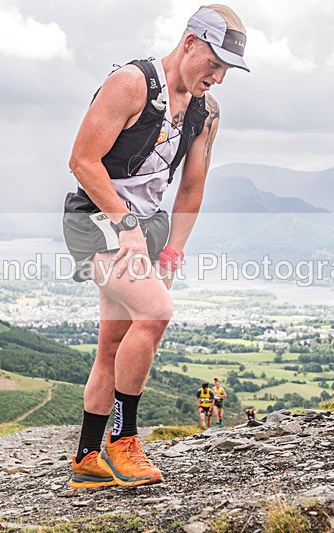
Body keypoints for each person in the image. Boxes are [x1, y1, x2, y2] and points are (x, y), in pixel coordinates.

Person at [63, 5, 249, 489]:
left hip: (147, 230)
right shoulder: (131, 83)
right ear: (190, 41)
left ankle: (86, 458)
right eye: (214, 62)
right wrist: (124, 225)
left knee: (112, 345)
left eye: (228, 68)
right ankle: (123, 441)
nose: (220, 76)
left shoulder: (208, 112)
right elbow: (82, 160)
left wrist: (172, 251)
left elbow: (192, 187)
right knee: (156, 313)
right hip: (95, 220)